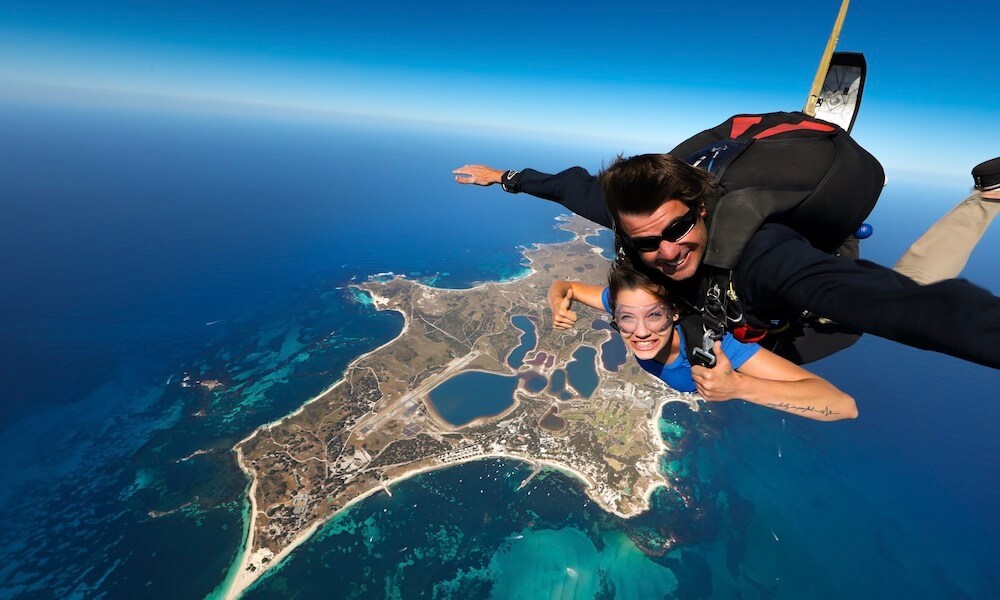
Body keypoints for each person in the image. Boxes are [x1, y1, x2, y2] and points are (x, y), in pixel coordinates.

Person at [453, 115, 1000, 369]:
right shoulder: (635, 223)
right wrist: (505, 177)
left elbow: (899, 306)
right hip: (753, 314)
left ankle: (987, 198)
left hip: (800, 305)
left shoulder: (762, 255)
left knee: (889, 298)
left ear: (703, 208)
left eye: (678, 229)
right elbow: (572, 188)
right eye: (647, 242)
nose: (666, 250)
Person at [547, 261, 857, 422]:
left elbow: (844, 406)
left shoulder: (715, 348)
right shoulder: (627, 303)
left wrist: (739, 387)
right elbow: (564, 286)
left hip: (793, 337)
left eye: (654, 315)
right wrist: (557, 303)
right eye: (626, 317)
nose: (639, 331)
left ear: (676, 313)